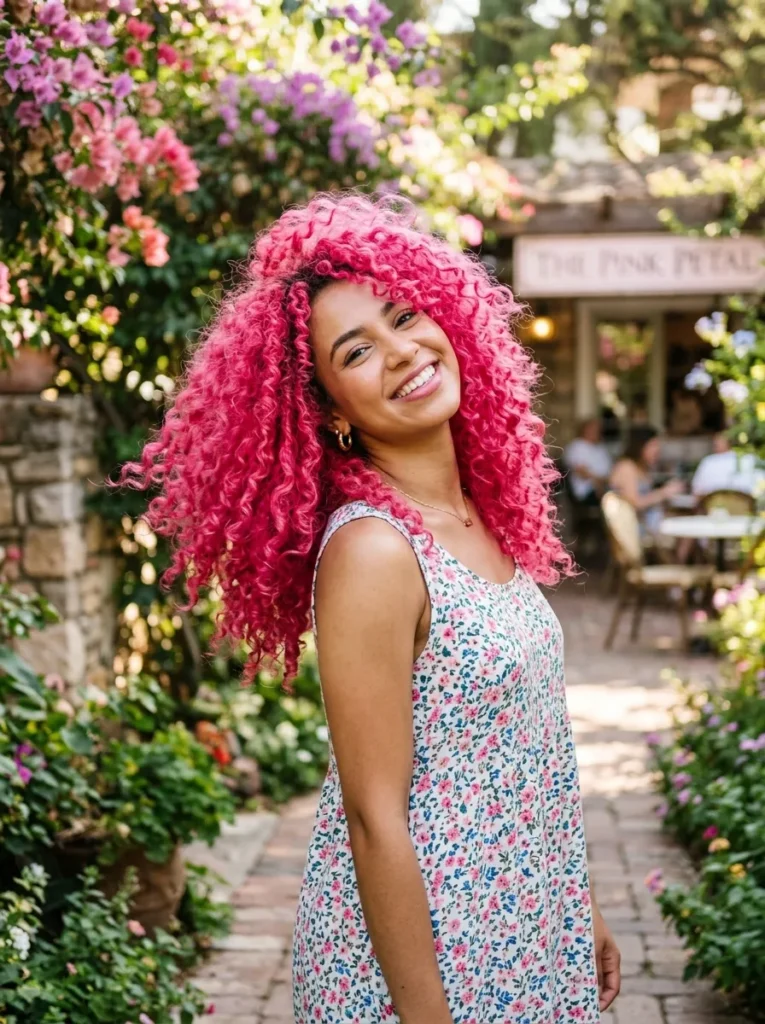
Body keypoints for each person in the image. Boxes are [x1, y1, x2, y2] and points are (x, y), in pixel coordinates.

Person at [118, 194, 620, 1023]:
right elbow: (371, 817)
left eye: (402, 317)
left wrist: (575, 904)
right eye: (356, 350)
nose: (400, 352)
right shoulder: (375, 552)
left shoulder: (474, 518)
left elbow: (522, 750)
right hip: (432, 956)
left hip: (523, 921)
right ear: (325, 406)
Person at [609, 426, 684, 540]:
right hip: (635, 528)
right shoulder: (627, 467)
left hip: (648, 522)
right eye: (653, 445)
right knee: (682, 532)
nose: (657, 450)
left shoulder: (641, 468)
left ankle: (677, 558)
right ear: (640, 446)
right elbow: (634, 503)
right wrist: (664, 493)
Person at [691, 432, 765, 499]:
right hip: (744, 509)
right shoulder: (751, 459)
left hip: (716, 510)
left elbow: (697, 492)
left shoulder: (708, 462)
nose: (715, 445)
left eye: (716, 442)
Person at [563, 417, 612, 504]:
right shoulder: (577, 446)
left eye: (597, 429)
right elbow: (582, 472)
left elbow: (610, 473)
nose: (595, 432)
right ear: (584, 430)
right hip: (586, 491)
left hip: (605, 487)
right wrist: (599, 484)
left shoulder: (601, 448)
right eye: (592, 429)